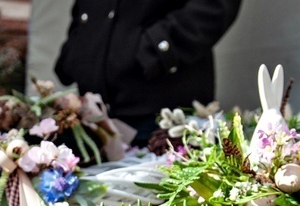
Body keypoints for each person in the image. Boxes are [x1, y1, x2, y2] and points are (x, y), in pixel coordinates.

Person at [54, 0, 242, 146]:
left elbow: (214, 6)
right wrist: (76, 52)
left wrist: (157, 48)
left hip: (162, 116)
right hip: (91, 116)